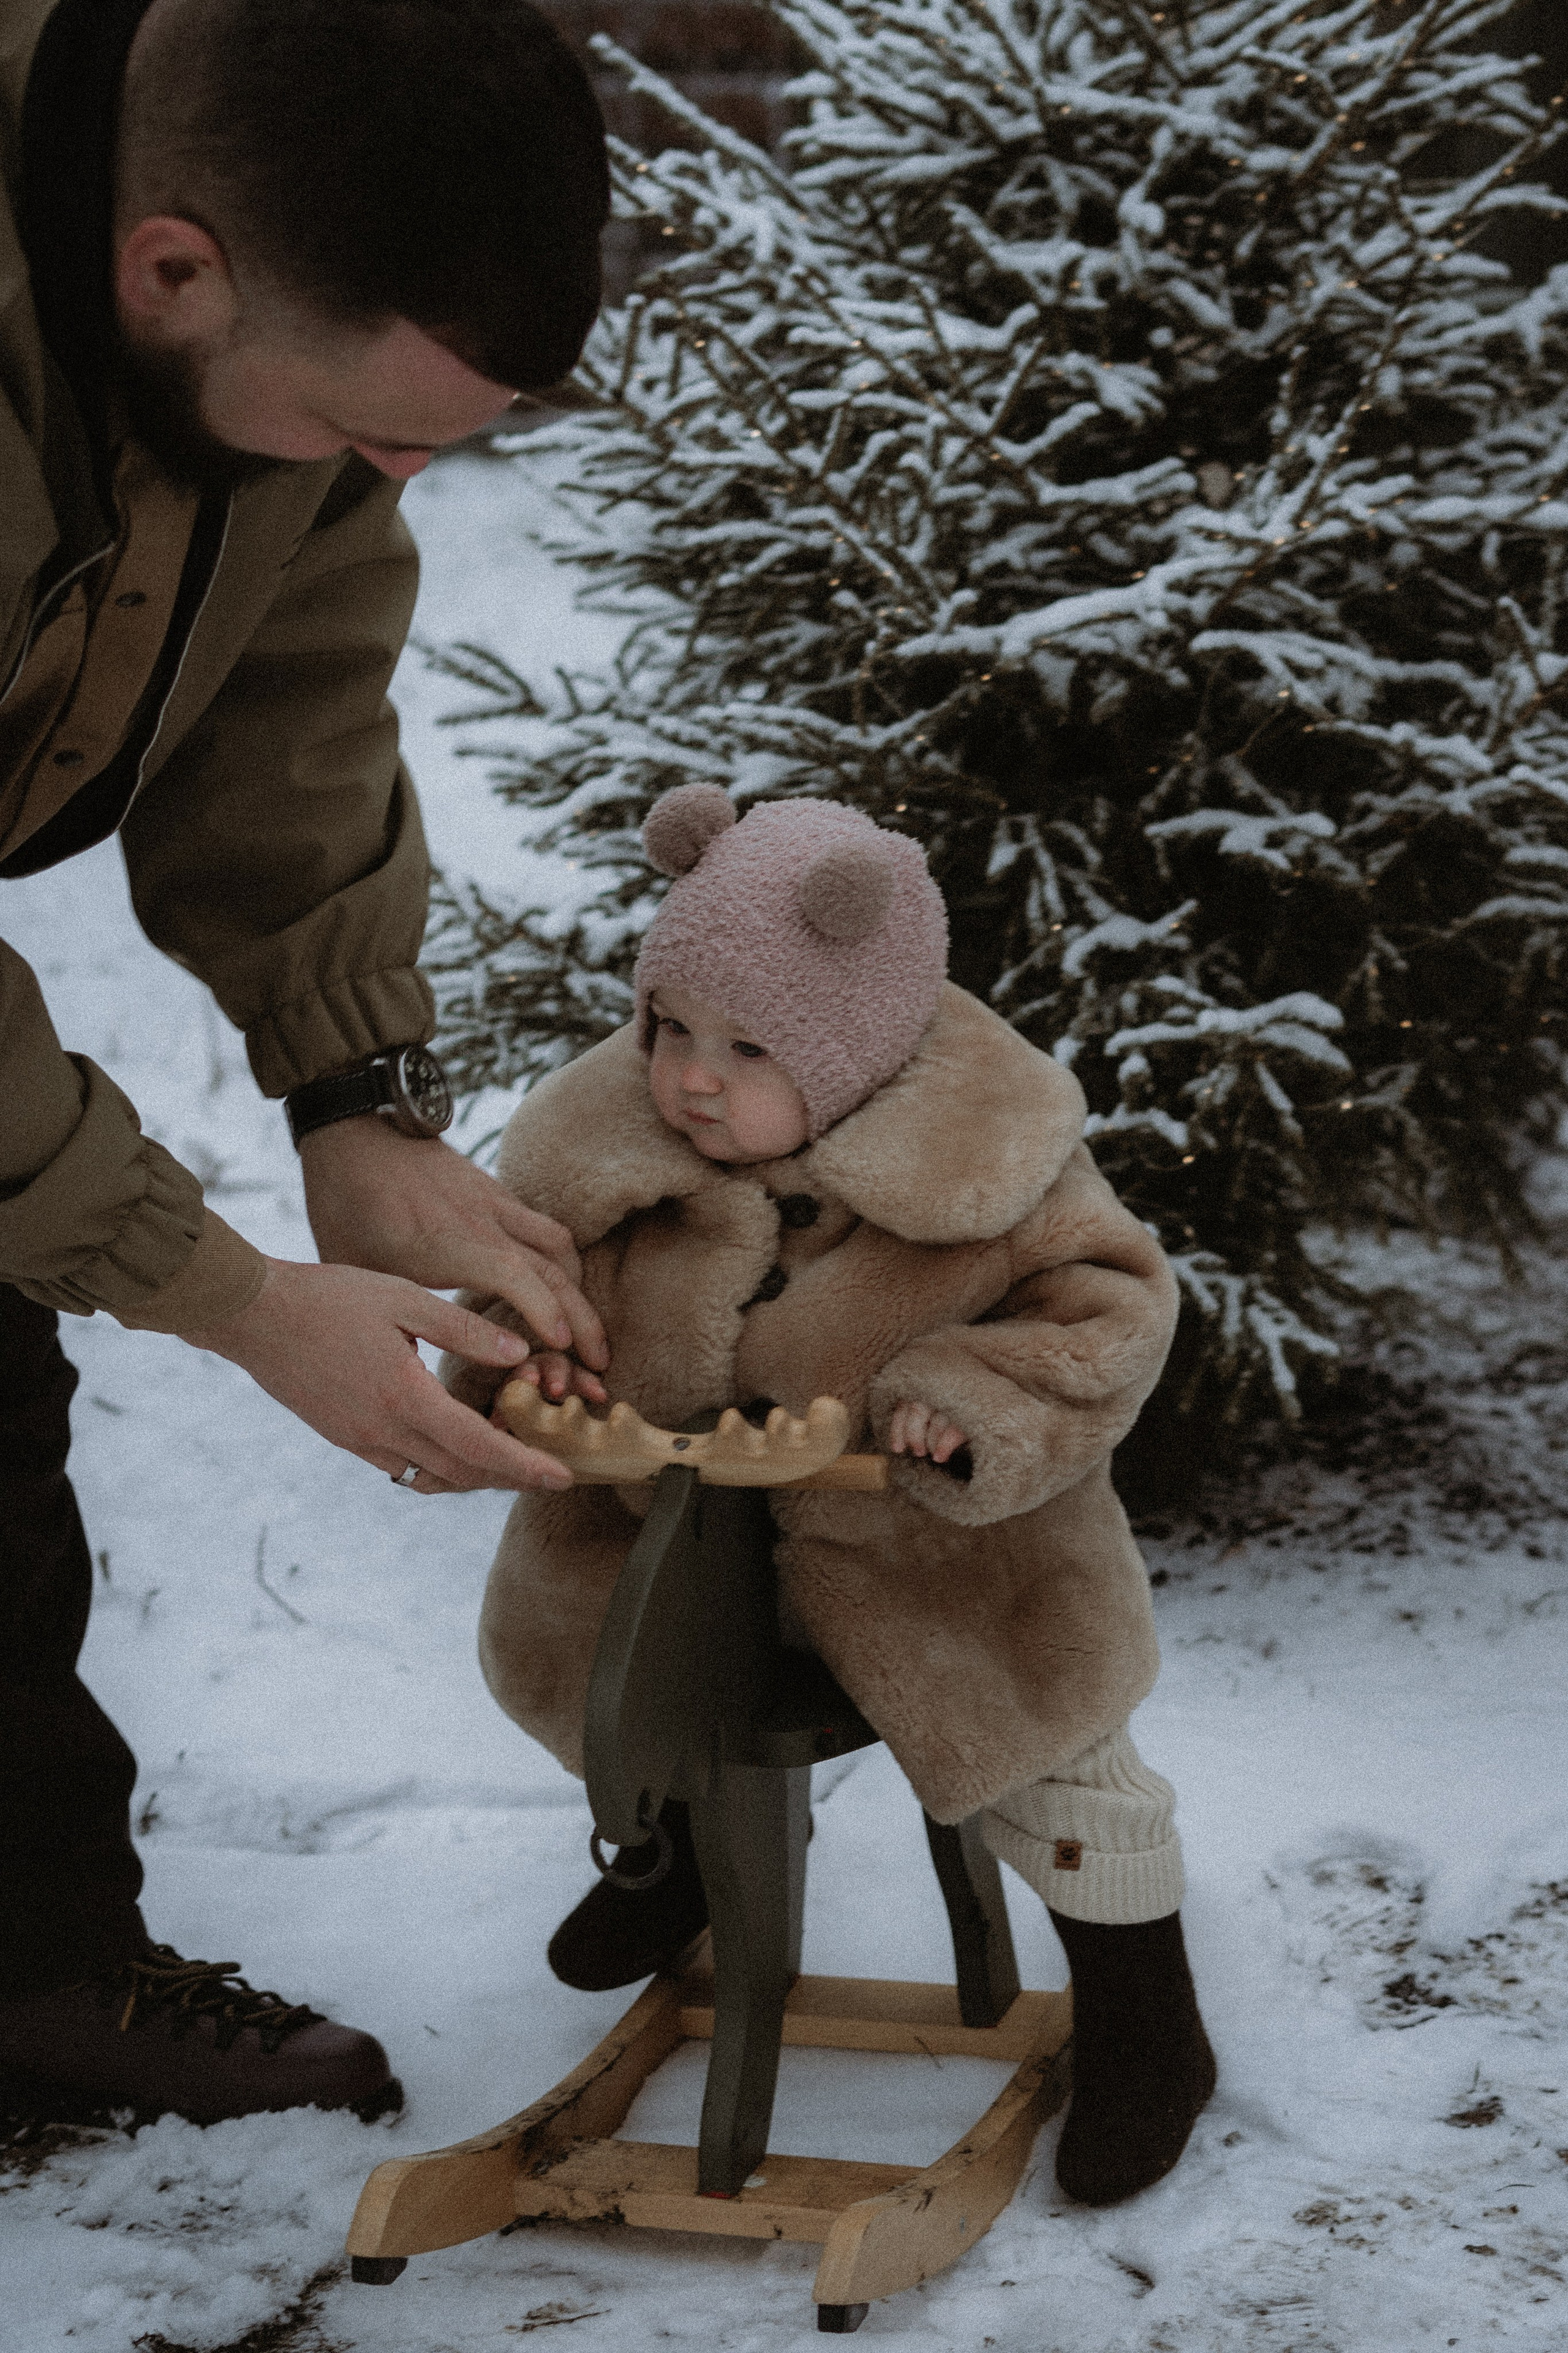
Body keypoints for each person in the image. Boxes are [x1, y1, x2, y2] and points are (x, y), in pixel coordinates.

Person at [0, 0, 616, 2130]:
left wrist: (356, 1100)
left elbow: (288, 661)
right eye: (374, 433)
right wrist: (240, 1300)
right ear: (172, 268)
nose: (392, 487)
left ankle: (30, 1974)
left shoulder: (233, 315)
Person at [450, 784, 1219, 2208]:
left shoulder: (997, 1159)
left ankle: (1145, 2018)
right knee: (619, 1672)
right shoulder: (615, 1156)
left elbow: (1107, 1313)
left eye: (746, 1048)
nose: (689, 1074)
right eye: (671, 1026)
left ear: (862, 1052)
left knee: (1066, 1758)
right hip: (679, 1546)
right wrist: (516, 1373)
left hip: (946, 1568)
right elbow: (526, 1290)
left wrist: (965, 1392)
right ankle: (667, 1852)